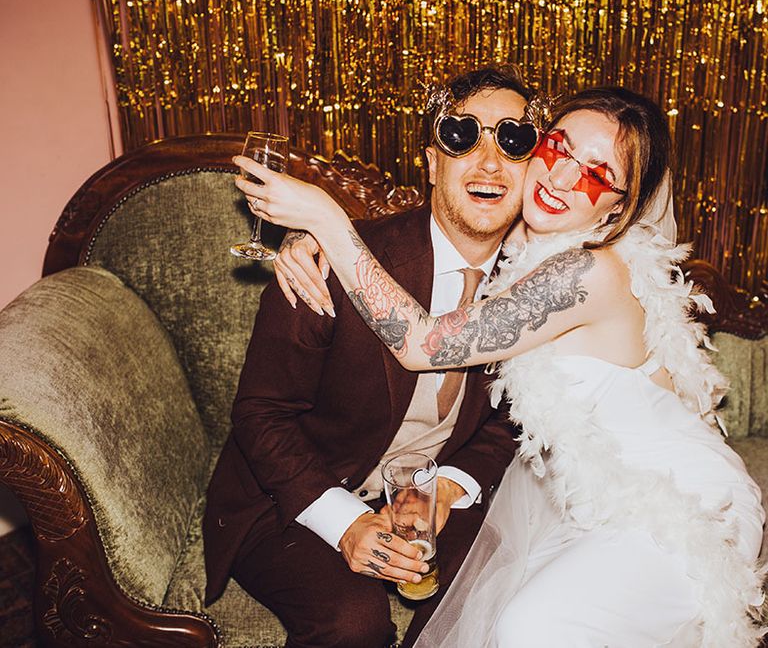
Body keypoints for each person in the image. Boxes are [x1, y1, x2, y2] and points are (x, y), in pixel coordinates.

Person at [236, 85, 767, 646]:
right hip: (593, 500)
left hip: (680, 508)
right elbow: (446, 216)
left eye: (595, 172)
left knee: (529, 627)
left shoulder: (587, 273)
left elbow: (419, 342)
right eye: (558, 147)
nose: (562, 178)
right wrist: (302, 242)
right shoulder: (530, 241)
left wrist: (325, 219)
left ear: (622, 205)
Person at [203, 65, 538, 648]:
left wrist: (449, 490)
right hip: (297, 492)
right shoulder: (332, 259)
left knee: (502, 600)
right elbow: (261, 414)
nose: (489, 163)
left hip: (429, 496)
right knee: (353, 623)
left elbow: (514, 418)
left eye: (512, 141)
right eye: (463, 137)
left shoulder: (537, 287)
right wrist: (346, 522)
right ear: (432, 163)